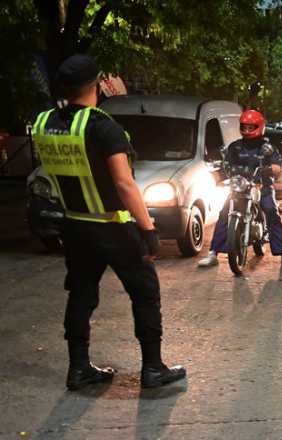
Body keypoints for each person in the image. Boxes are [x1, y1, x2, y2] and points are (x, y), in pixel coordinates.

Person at [32, 54, 185, 389]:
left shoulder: (44, 122)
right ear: (98, 84)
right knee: (145, 291)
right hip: (112, 225)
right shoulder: (102, 126)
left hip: (74, 223)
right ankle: (153, 368)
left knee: (81, 294)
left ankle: (78, 368)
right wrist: (147, 230)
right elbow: (124, 183)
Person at [197, 110, 282, 268]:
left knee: (271, 210)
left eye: (251, 127)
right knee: (224, 213)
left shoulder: (267, 148)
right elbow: (226, 164)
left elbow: (278, 166)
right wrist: (220, 175)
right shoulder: (235, 147)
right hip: (240, 186)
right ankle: (213, 253)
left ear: (259, 127)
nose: (248, 130)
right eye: (245, 127)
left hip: (261, 185)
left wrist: (272, 169)